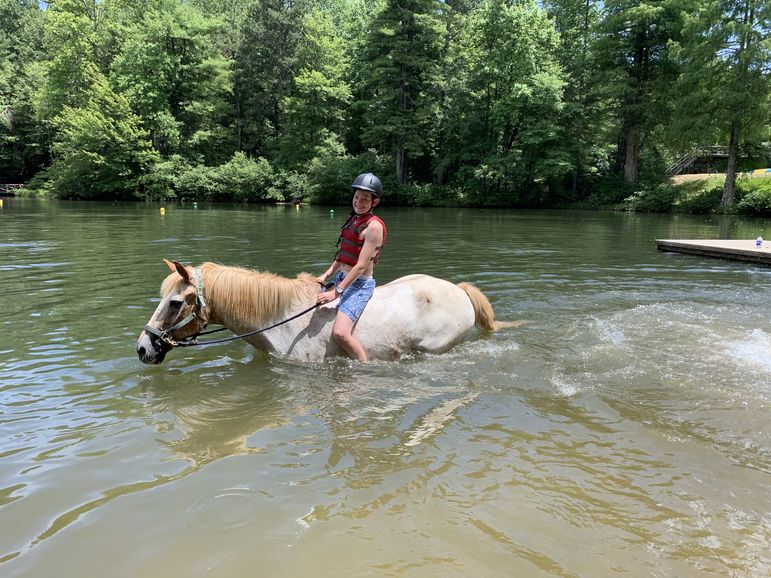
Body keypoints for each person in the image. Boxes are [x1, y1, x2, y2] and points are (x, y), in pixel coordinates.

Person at [316, 173, 386, 361]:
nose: (359, 202)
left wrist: (336, 293)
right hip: (341, 278)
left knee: (340, 333)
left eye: (365, 199)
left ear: (375, 202)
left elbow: (361, 266)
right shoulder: (352, 219)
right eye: (356, 197)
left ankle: (364, 368)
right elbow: (343, 256)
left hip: (359, 284)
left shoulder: (373, 227)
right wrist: (326, 274)